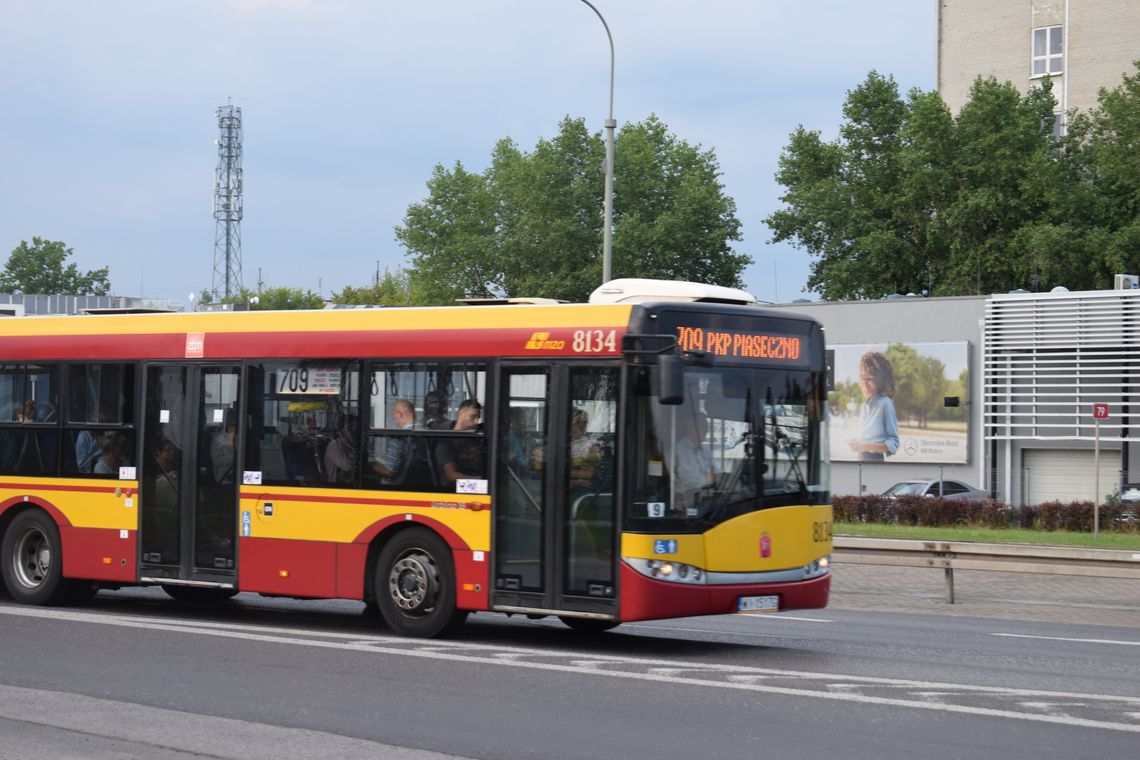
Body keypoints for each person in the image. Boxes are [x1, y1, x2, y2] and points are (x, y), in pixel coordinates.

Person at [848, 350, 900, 461]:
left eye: (870, 379)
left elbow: (894, 444)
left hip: (874, 460)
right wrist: (858, 442)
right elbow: (868, 436)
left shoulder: (885, 403)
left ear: (878, 380)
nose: (865, 384)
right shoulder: (864, 405)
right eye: (862, 378)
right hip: (861, 458)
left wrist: (866, 446)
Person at [435, 399, 483, 484]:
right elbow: (452, 475)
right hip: (456, 487)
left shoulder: (477, 433)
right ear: (461, 413)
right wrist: (481, 481)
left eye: (478, 418)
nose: (476, 422)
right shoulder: (445, 439)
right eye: (472, 417)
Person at [370, 399, 418, 484]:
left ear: (400, 414)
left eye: (394, 418)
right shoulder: (426, 431)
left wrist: (371, 466)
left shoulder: (399, 437)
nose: (396, 422)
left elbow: (390, 471)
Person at [674, 411, 716, 498]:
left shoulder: (706, 450)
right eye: (703, 426)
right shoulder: (678, 450)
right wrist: (710, 481)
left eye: (707, 427)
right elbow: (686, 478)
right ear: (691, 427)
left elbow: (716, 470)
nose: (707, 431)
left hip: (705, 496)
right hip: (687, 497)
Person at [568, 409, 601, 489]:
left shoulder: (591, 445)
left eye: (584, 422)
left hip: (585, 489)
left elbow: (589, 474)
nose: (582, 425)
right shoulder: (558, 444)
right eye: (577, 422)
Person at [324, 413, 359, 484]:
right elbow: (347, 466)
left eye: (356, 427)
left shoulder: (350, 444)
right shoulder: (334, 445)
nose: (354, 431)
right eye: (351, 427)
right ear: (343, 430)